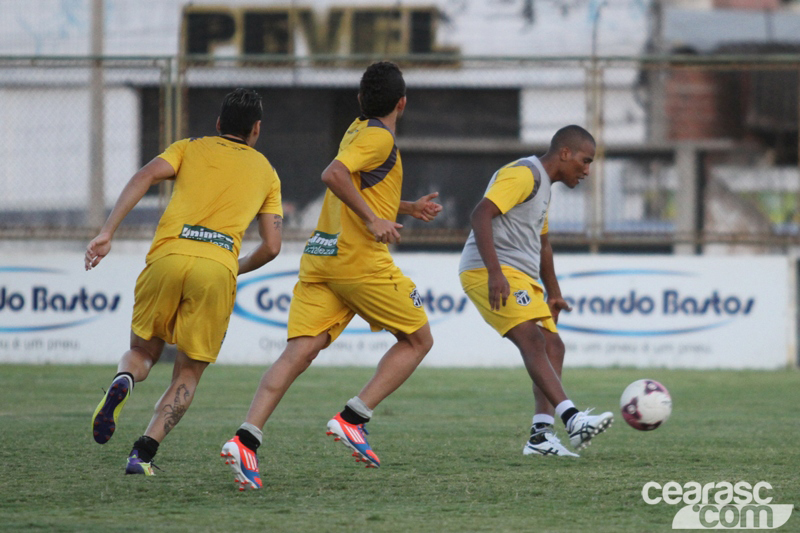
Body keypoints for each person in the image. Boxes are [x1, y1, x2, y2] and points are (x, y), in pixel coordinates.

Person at [220, 61, 442, 491]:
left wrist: (407, 207)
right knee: (419, 340)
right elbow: (334, 175)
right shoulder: (379, 137)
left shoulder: (357, 129)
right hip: (357, 261)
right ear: (403, 102)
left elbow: (358, 184)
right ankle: (354, 418)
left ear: (361, 101)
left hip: (322, 257)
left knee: (299, 353)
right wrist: (374, 219)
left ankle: (246, 439)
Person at [87, 88, 284, 475]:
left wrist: (107, 231)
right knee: (188, 373)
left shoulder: (188, 147)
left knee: (143, 352)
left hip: (167, 257)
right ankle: (141, 455)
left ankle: (125, 378)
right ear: (256, 129)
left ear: (218, 124)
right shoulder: (266, 171)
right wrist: (232, 267)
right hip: (217, 269)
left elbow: (144, 176)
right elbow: (272, 246)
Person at [458, 125, 612, 458]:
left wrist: (553, 292)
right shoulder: (524, 175)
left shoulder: (544, 187)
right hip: (489, 269)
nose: (587, 171)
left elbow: (542, 243)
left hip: (520, 275)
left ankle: (541, 436)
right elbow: (480, 213)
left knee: (553, 345)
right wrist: (495, 272)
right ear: (565, 153)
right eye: (585, 162)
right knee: (533, 340)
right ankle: (573, 419)